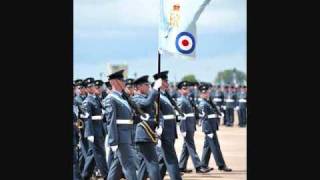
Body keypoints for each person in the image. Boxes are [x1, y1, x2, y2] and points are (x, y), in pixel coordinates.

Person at [103, 70, 138, 180]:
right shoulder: (111, 98)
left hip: (127, 135)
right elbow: (111, 121)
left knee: (116, 168)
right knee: (129, 166)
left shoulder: (122, 97)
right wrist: (113, 141)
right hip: (120, 137)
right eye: (121, 80)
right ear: (114, 82)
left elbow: (129, 118)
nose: (124, 82)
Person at [153, 71, 184, 180]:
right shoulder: (156, 95)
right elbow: (157, 113)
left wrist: (177, 117)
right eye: (165, 81)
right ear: (160, 82)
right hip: (164, 130)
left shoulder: (165, 94)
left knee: (163, 158)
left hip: (171, 129)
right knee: (171, 157)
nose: (167, 83)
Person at [132, 75, 163, 180]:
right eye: (146, 85)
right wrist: (154, 89)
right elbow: (147, 103)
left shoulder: (147, 96)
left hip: (150, 133)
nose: (148, 87)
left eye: (149, 85)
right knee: (153, 162)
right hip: (144, 134)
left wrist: (160, 126)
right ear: (139, 87)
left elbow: (157, 112)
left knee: (144, 164)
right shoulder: (135, 98)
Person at [177, 81, 210, 173]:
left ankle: (181, 166)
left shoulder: (187, 99)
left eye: (187, 88)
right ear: (179, 90)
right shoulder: (181, 100)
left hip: (190, 125)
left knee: (186, 146)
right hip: (186, 126)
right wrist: (183, 129)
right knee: (191, 146)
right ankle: (198, 166)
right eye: (184, 88)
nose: (186, 89)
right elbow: (181, 116)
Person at [198, 84, 232, 172]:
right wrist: (208, 131)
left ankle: (203, 165)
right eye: (204, 93)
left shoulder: (208, 102)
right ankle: (221, 165)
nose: (206, 94)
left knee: (208, 147)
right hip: (209, 128)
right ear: (201, 94)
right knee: (215, 147)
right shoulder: (203, 104)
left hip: (212, 127)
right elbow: (204, 119)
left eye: (207, 92)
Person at [81, 78, 108, 180]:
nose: (92, 88)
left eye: (93, 86)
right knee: (100, 153)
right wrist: (89, 133)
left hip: (99, 128)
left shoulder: (96, 99)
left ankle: (85, 175)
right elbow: (87, 118)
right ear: (86, 89)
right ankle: (106, 175)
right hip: (94, 131)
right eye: (89, 87)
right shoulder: (87, 101)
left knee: (92, 154)